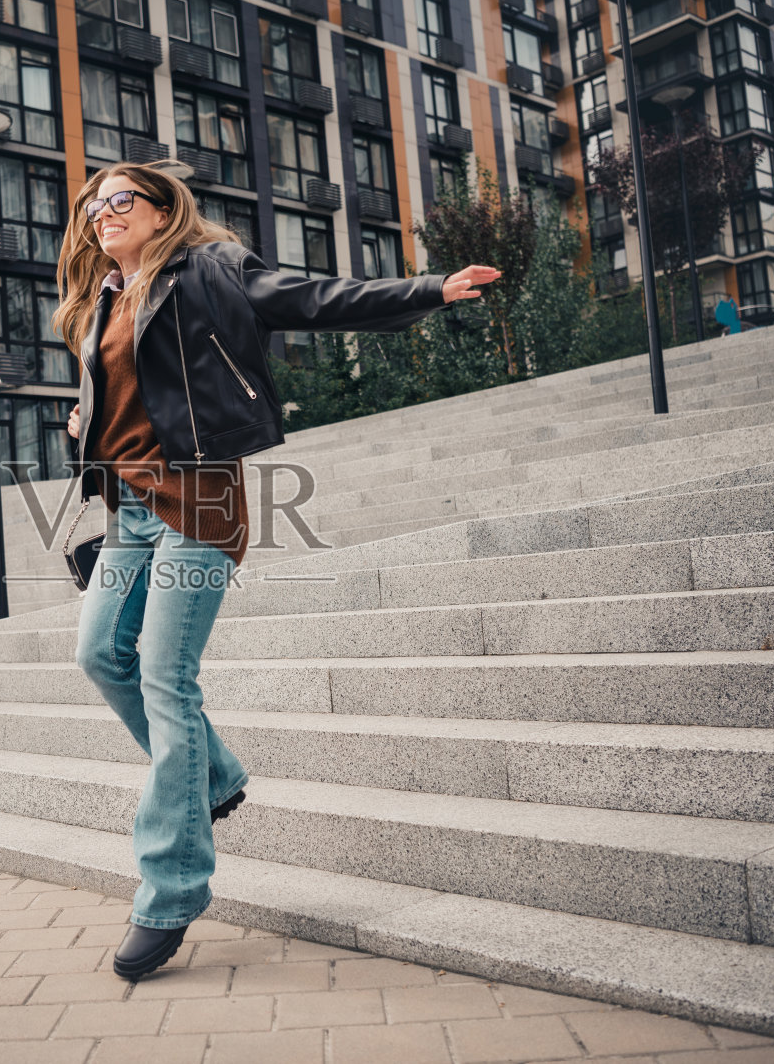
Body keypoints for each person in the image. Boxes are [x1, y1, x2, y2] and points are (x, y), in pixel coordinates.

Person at [51, 161, 499, 981]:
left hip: (201, 500)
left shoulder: (210, 271)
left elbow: (317, 299)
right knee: (97, 654)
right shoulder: (100, 301)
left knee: (162, 673)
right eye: (93, 205)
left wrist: (429, 289)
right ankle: (214, 773)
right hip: (130, 513)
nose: (103, 213)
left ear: (159, 212)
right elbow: (116, 400)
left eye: (121, 200)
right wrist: (81, 418)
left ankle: (170, 891)